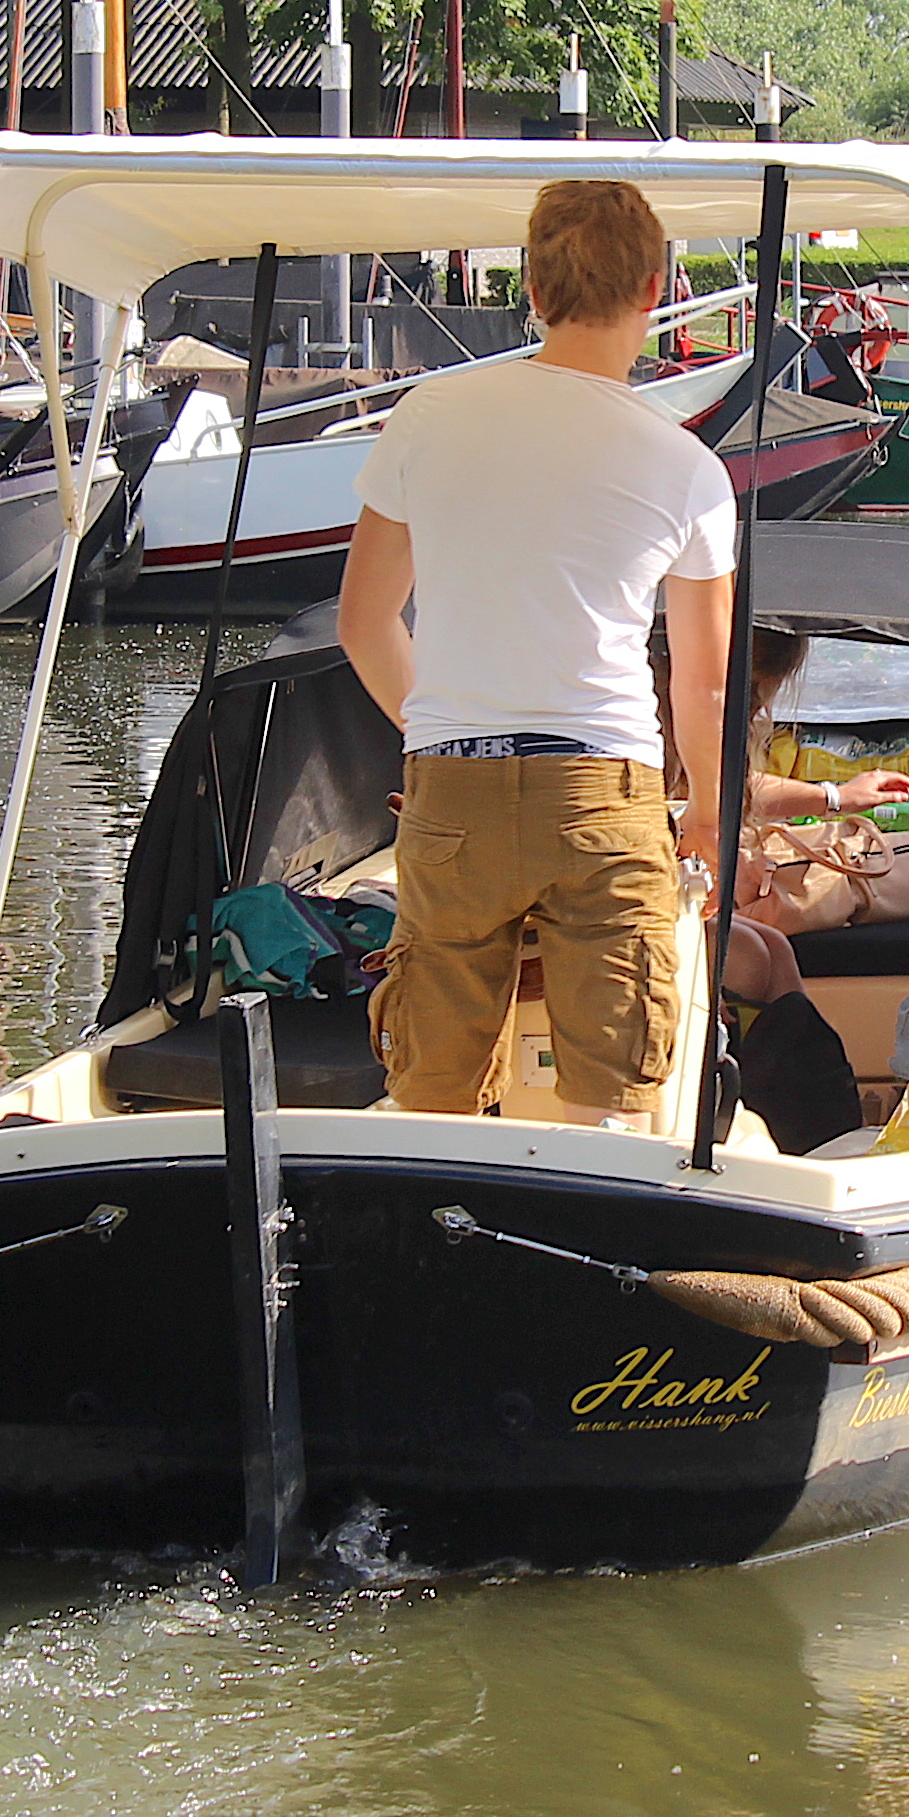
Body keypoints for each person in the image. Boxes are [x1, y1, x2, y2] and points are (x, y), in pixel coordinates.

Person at [338, 178, 738, 1129]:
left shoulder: (427, 418)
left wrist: (442, 733)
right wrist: (715, 816)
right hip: (602, 796)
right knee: (608, 1107)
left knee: (429, 1097)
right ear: (655, 288)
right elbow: (706, 687)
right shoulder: (688, 468)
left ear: (531, 287)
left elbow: (364, 622)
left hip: (453, 794)